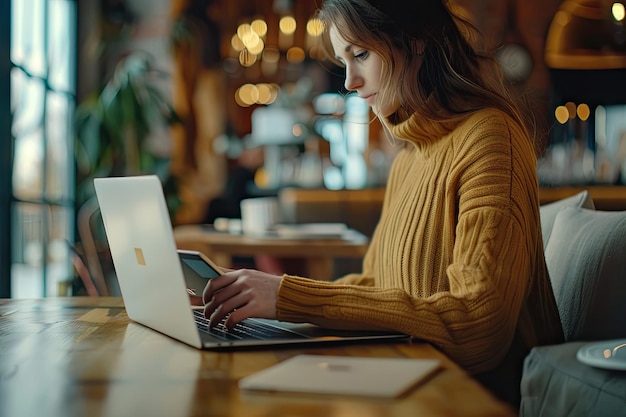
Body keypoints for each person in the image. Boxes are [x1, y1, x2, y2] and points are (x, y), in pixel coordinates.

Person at [198, 0, 564, 408]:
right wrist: (269, 304)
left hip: (471, 397)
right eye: (343, 60)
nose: (350, 81)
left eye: (361, 55)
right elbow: (377, 286)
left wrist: (289, 296)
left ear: (417, 41)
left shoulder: (490, 139)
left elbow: (477, 325)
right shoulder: (410, 157)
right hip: (407, 375)